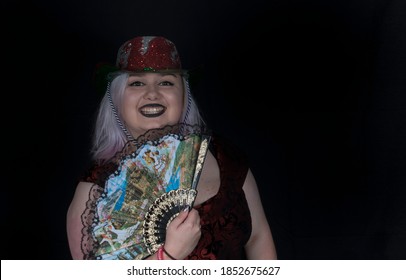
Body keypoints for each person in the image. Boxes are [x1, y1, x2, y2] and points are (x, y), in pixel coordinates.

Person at [66, 35, 277, 260]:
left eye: (166, 82)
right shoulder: (95, 190)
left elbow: (258, 237)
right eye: (136, 83)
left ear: (184, 96)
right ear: (117, 98)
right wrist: (169, 255)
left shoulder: (225, 158)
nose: (152, 93)